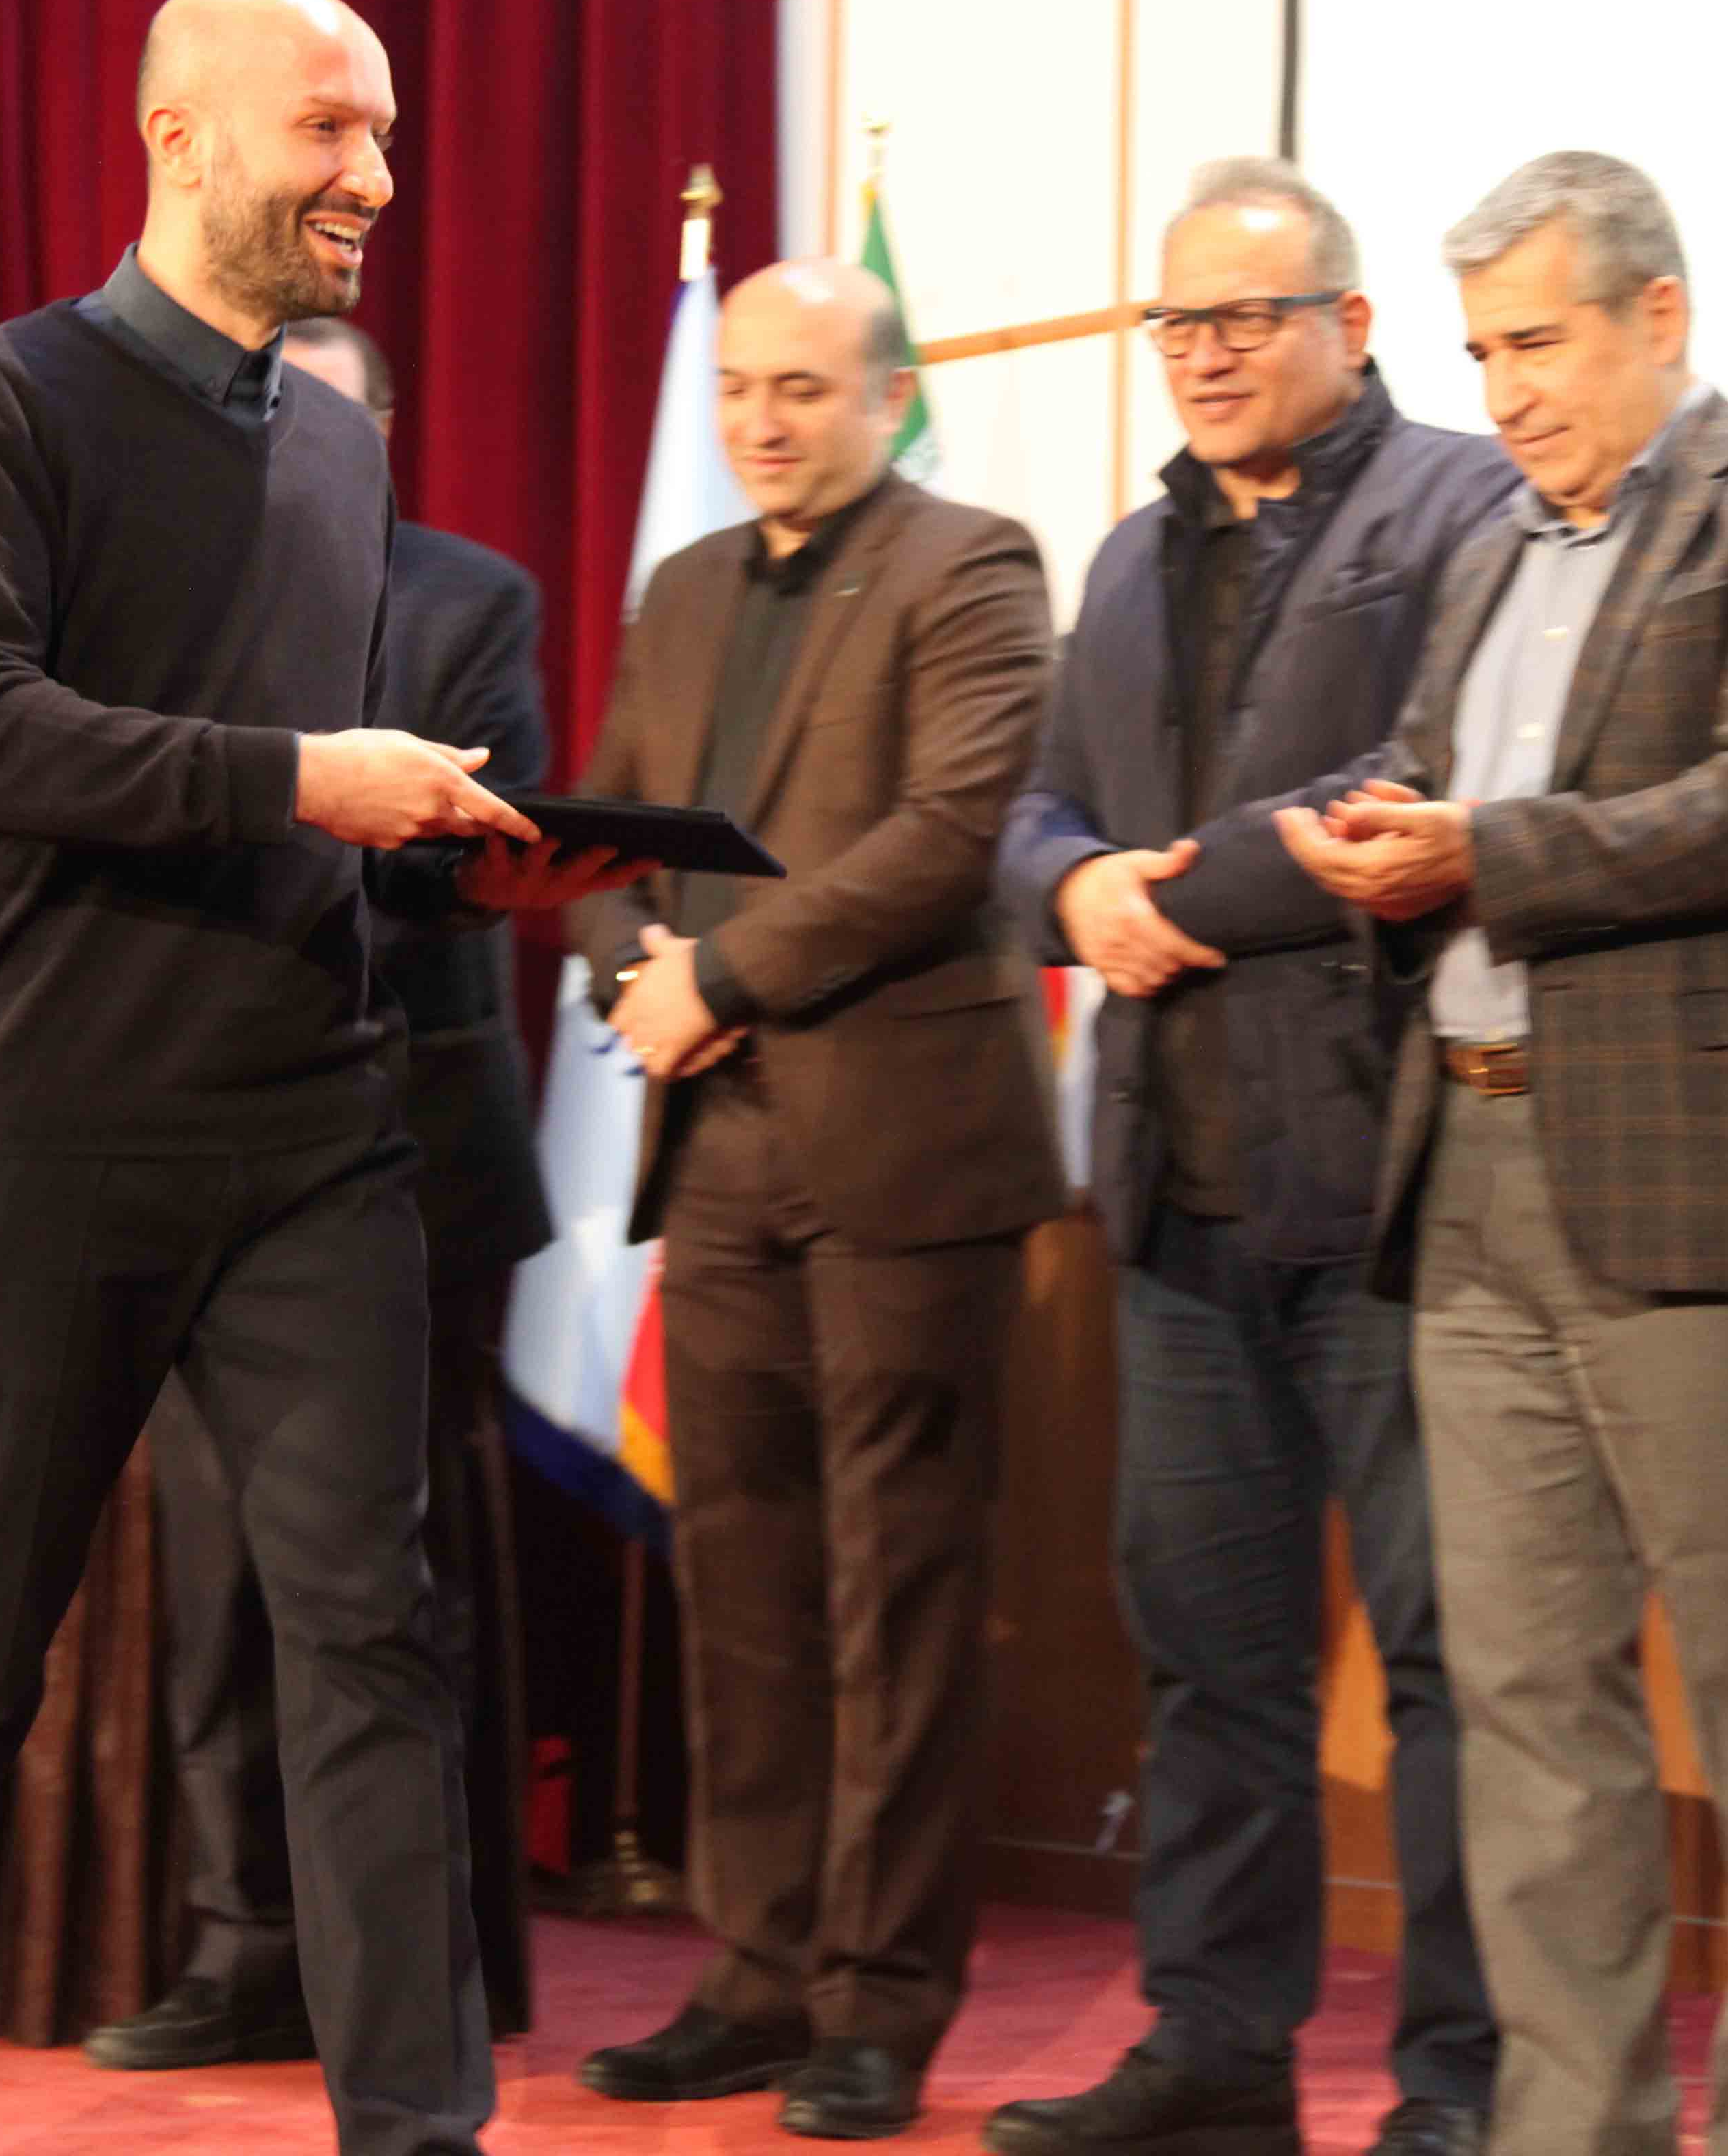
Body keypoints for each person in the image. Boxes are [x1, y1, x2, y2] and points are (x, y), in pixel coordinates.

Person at [0, 0, 621, 2156]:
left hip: (310, 1137)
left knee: (375, 1644)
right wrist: (304, 779)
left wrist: (466, 868)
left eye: (387, 135)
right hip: (47, 1139)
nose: (378, 177)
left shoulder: (342, 444)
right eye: (332, 131)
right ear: (178, 137)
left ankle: (417, 2130)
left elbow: (317, 818)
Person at [1273, 153, 1728, 2156]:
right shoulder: (1485, 550)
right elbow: (1454, 792)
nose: (1509, 392)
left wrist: (1484, 852)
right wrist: (1376, 834)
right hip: (1464, 1170)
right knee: (1533, 1714)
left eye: (1540, 344)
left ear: (1663, 316)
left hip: (1704, 1180)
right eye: (1482, 353)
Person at [986, 158, 1508, 2156]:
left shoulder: (1456, 504)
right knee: (1211, 1662)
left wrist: (1162, 892)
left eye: (1243, 319)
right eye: (1177, 322)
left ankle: (1463, 2079)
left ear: (1349, 327)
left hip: (1389, 1188)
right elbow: (1039, 810)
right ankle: (1218, 2049)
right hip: (1175, 1196)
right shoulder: (1131, 558)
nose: (1201, 356)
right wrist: (1076, 888)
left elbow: (1421, 778)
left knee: (1454, 1664)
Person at [564, 258, 1066, 2144]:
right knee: (745, 1586)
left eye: (801, 388)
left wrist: (719, 975)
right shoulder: (687, 585)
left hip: (902, 1149)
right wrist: (632, 969)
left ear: (887, 396)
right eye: (740, 389)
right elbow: (605, 830)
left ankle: (878, 2006)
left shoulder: (973, 564)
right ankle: (759, 1975)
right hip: (717, 1146)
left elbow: (946, 840)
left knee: (898, 1594)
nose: (760, 420)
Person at [85, 316, 555, 2070]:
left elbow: (470, 851)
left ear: (385, 432)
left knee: (383, 1589)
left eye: (326, 417)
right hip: (192, 1127)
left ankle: (413, 1970)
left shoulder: (471, 599)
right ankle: (243, 1947)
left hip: (408, 1152)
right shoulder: (163, 593)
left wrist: (319, 823)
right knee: (215, 1581)